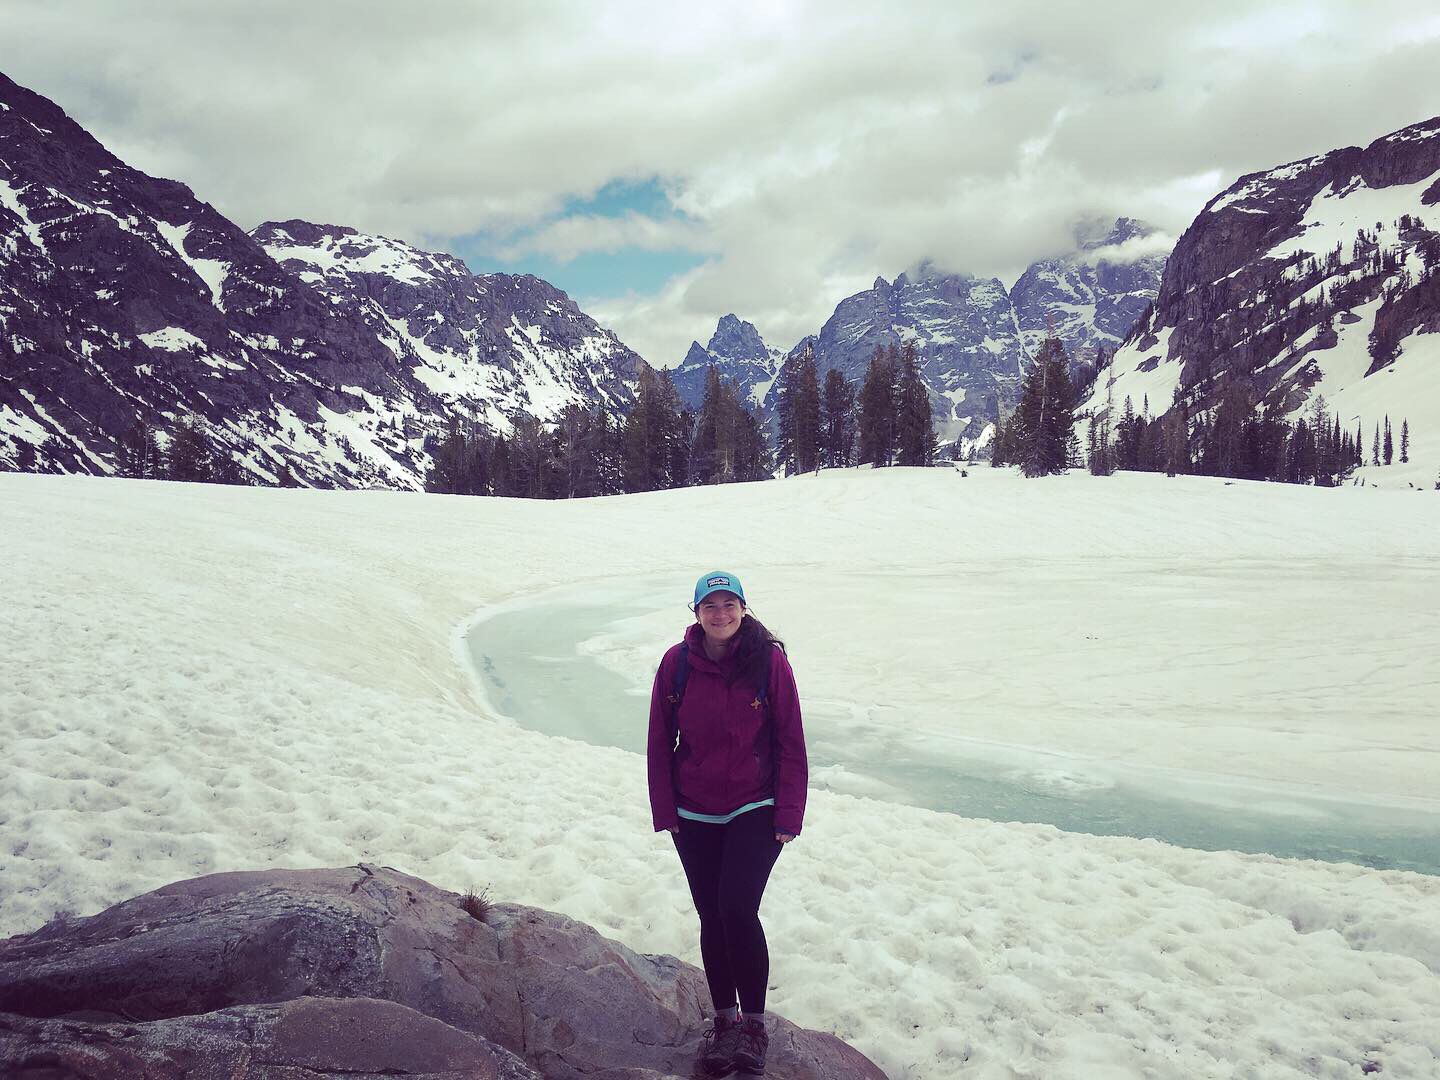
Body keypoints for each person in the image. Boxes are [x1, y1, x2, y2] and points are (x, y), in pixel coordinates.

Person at [647, 570, 808, 1077]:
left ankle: (754, 1026)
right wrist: (665, 810)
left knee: (736, 907)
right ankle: (723, 1021)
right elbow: (658, 740)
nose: (721, 614)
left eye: (729, 604)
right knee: (711, 914)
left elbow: (791, 741)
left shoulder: (769, 661)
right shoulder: (677, 665)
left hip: (753, 805)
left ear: (743, 608)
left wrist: (788, 812)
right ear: (696, 612)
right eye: (710, 605)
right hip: (693, 809)